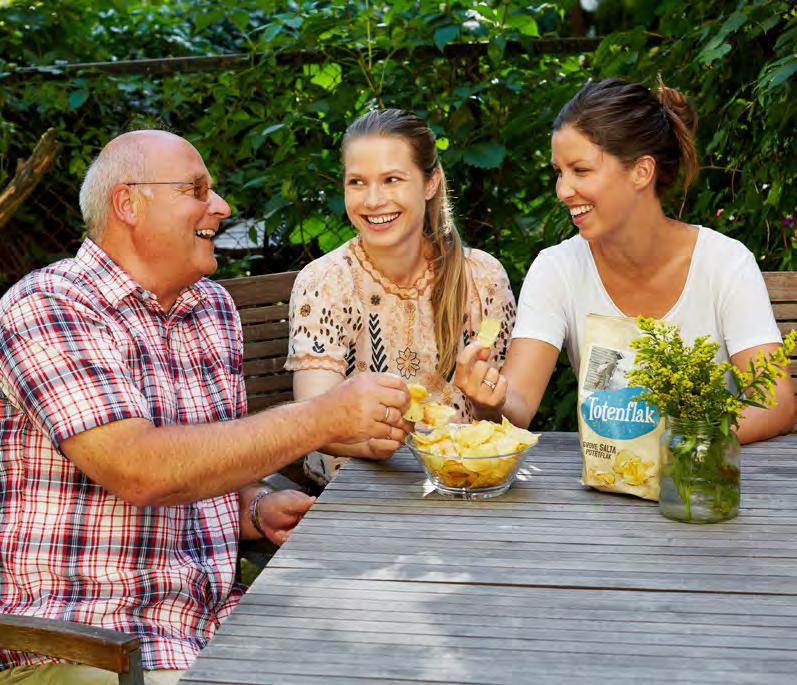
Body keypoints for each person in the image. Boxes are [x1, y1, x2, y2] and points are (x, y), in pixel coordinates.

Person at [0, 130, 412, 683]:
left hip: (211, 626)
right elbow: (140, 469)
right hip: (81, 644)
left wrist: (256, 506)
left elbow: (200, 464)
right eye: (196, 189)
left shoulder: (210, 309)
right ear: (128, 204)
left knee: (393, 648)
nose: (220, 207)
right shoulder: (49, 307)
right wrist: (325, 417)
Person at [455, 77, 795, 443]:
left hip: (702, 486)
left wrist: (668, 444)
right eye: (559, 172)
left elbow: (773, 403)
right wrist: (491, 401)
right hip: (604, 489)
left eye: (581, 171)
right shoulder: (557, 269)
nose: (562, 190)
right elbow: (518, 403)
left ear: (641, 172)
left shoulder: (726, 263)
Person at [286, 109, 516, 486]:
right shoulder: (326, 281)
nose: (373, 200)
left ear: (430, 184)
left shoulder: (483, 278)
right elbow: (314, 420)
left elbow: (498, 426)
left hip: (461, 483)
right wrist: (374, 435)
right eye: (357, 182)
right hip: (351, 491)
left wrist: (490, 405)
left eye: (392, 179)